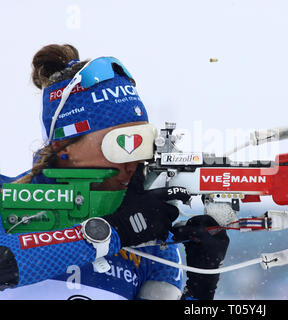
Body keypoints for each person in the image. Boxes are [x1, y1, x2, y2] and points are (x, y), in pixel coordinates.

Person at [0, 44, 229, 300]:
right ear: (63, 147)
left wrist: (201, 287)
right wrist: (114, 232)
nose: (135, 163)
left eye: (144, 144)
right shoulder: (5, 199)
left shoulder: (150, 242)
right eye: (120, 144)